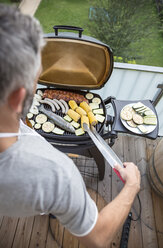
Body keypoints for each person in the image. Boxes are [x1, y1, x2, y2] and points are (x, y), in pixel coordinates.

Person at [0, 4, 140, 248]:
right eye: (36, 80)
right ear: (17, 97)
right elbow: (97, 238)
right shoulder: (56, 173)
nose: (38, 88)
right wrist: (132, 186)